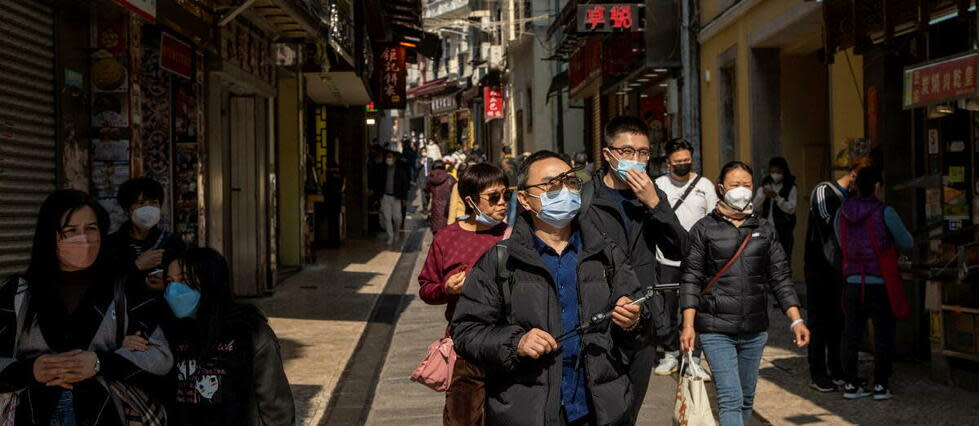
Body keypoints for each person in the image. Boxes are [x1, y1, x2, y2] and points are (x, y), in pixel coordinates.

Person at [452, 151, 648, 426]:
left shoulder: (606, 253)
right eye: (551, 184)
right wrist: (515, 342)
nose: (564, 190)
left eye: (570, 181)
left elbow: (642, 325)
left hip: (601, 411)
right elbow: (466, 331)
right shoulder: (500, 260)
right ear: (524, 198)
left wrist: (634, 319)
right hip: (527, 412)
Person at [0, 189, 173, 425]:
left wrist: (100, 363)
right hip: (31, 414)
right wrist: (30, 370)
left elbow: (160, 356)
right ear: (50, 236)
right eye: (71, 231)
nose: (84, 239)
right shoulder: (18, 292)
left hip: (106, 414)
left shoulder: (125, 288)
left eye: (91, 229)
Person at [679, 161, 810, 426]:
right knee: (730, 398)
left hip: (755, 329)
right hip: (716, 329)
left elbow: (780, 277)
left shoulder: (765, 230)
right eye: (734, 185)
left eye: (747, 185)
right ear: (721, 188)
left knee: (747, 398)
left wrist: (796, 319)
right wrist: (688, 325)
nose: (741, 190)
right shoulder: (703, 230)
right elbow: (690, 279)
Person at [579, 116, 687, 424]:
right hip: (596, 322)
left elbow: (681, 250)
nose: (636, 160)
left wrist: (656, 204)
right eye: (627, 152)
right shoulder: (585, 199)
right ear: (608, 153)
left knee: (629, 412)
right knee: (597, 412)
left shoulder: (651, 197)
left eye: (643, 153)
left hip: (641, 323)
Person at [129, 247, 294, 424]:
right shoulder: (167, 332)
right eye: (169, 281)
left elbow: (276, 409)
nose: (174, 289)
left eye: (184, 279)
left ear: (210, 280)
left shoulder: (250, 331)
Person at [418, 164, 509, 425]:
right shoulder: (446, 239)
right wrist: (446, 289)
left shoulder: (512, 236)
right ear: (470, 200)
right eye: (493, 197)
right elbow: (426, 287)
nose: (502, 203)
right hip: (464, 347)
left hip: (508, 343)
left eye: (505, 196)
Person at [836, 166, 912, 401]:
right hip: (879, 283)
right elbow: (907, 242)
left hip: (851, 282)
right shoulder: (885, 212)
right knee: (883, 334)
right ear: (878, 187)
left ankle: (850, 384)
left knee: (851, 334)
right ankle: (880, 385)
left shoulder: (843, 212)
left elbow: (841, 243)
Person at [804, 156, 873, 392]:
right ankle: (817, 372)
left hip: (843, 268)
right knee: (819, 321)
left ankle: (838, 370)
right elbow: (828, 221)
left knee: (839, 320)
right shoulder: (824, 191)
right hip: (820, 266)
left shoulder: (854, 198)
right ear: (854, 175)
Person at [651, 138, 718, 377]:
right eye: (677, 161)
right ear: (668, 162)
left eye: (686, 161)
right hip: (666, 260)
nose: (682, 165)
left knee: (696, 309)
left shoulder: (705, 186)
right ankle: (670, 353)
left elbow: (714, 221)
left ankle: (693, 358)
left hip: (698, 261)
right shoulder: (658, 185)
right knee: (665, 309)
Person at [109, 177, 187, 292]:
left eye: (153, 203)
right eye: (141, 203)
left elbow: (184, 282)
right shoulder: (111, 244)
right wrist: (137, 266)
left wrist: (166, 284)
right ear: (126, 210)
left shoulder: (172, 243)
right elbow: (104, 285)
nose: (148, 209)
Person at [753, 157, 798, 262]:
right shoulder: (765, 186)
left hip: (784, 230)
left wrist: (777, 197)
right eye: (773, 171)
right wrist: (763, 195)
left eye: (778, 171)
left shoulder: (791, 187)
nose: (775, 174)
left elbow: (791, 208)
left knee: (784, 258)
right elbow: (755, 207)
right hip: (766, 228)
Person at [372, 150, 411, 244]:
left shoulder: (400, 170)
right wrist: (378, 197)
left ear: (394, 158)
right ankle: (390, 236)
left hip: (396, 197)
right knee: (387, 217)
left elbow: (405, 184)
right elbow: (378, 183)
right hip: (385, 196)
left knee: (397, 217)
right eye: (387, 157)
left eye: (390, 157)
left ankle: (397, 232)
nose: (388, 159)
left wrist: (404, 198)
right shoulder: (382, 169)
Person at [425, 161, 457, 234]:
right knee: (446, 234)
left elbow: (426, 189)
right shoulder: (450, 178)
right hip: (448, 209)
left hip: (435, 208)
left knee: (436, 234)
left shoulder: (430, 177)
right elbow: (457, 189)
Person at [417, 147, 434, 213]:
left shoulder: (430, 159)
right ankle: (425, 207)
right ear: (421, 152)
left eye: (425, 151)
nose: (424, 152)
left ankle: (427, 204)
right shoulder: (418, 160)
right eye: (422, 151)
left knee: (428, 194)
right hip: (422, 178)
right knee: (423, 193)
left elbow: (433, 167)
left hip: (429, 178)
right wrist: (421, 162)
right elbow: (417, 167)